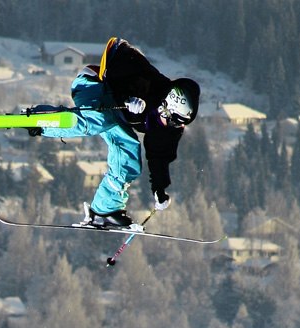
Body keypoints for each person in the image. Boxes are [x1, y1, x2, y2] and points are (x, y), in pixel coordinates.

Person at [26, 36, 200, 229]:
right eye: (171, 116)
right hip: (95, 84)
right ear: (167, 103)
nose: (171, 123)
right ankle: (40, 120)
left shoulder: (170, 129)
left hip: (115, 111)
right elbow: (120, 64)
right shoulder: (149, 83)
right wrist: (128, 97)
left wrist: (159, 189)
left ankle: (104, 210)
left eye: (178, 122)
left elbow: (159, 156)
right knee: (99, 120)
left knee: (129, 156)